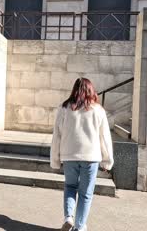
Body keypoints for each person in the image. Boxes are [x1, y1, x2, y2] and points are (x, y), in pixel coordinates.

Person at [50, 77, 114, 231]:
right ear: (91, 90)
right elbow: (104, 138)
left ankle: (69, 218)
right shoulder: (98, 110)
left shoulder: (64, 108)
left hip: (69, 156)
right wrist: (107, 161)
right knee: (86, 194)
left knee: (70, 187)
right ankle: (80, 226)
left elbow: (56, 135)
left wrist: (55, 160)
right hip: (91, 158)